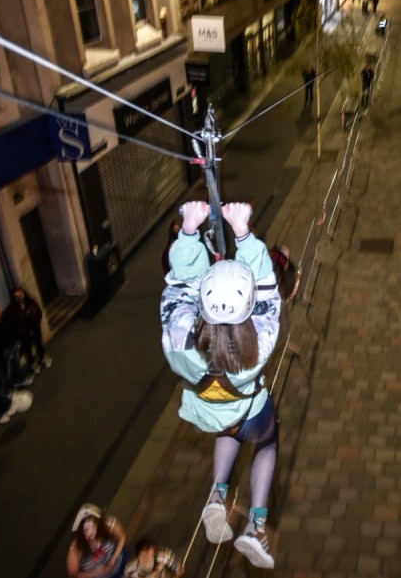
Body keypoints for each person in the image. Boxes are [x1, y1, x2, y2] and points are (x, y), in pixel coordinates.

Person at [160, 200, 281, 569]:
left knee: (225, 428)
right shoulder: (260, 342)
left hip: (209, 412)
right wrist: (243, 232)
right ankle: (256, 526)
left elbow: (178, 288)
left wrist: (189, 232)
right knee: (267, 442)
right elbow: (267, 289)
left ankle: (217, 494)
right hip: (250, 411)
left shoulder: (178, 342)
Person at [68, 504, 129, 578]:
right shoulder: (76, 548)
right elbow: (74, 576)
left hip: (119, 566)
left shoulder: (108, 525)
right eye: (86, 530)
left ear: (97, 523)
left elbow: (122, 538)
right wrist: (95, 573)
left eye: (93, 526)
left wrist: (113, 560)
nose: (90, 532)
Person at [0, 302, 31, 388]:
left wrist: (17, 340)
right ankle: (10, 387)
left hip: (12, 345)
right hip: (1, 352)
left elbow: (14, 327)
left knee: (16, 364)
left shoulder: (5, 317)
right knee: (6, 371)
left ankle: (20, 380)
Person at [5, 286, 50, 372]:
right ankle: (32, 363)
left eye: (20, 294)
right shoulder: (11, 309)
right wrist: (19, 331)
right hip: (22, 332)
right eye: (16, 296)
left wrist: (35, 326)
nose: (19, 297)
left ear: (24, 294)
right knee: (27, 348)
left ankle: (43, 357)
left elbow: (38, 313)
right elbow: (11, 323)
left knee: (39, 344)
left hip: (34, 328)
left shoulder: (30, 303)